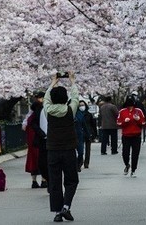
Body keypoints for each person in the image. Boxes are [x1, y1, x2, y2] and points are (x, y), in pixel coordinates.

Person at [44, 72, 81, 222]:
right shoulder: (70, 110)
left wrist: (53, 82)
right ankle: (66, 207)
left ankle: (57, 212)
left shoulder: (48, 110)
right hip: (68, 150)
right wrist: (72, 81)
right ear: (66, 98)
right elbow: (76, 98)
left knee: (55, 181)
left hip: (52, 150)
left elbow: (46, 98)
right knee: (72, 180)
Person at [117, 96, 146, 176]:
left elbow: (144, 122)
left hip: (136, 135)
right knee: (125, 153)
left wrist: (138, 120)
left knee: (135, 154)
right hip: (126, 135)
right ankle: (127, 164)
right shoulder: (122, 111)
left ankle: (133, 169)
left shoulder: (138, 111)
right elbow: (118, 123)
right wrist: (125, 121)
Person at [23, 92, 48, 188]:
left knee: (33, 159)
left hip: (33, 140)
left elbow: (27, 124)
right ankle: (44, 180)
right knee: (43, 159)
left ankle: (34, 181)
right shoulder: (43, 111)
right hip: (41, 139)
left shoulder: (30, 117)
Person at [75, 99, 97, 169]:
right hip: (79, 134)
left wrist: (94, 134)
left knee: (88, 149)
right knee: (80, 149)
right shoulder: (77, 115)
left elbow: (93, 125)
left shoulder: (89, 114)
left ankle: (86, 162)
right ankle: (80, 161)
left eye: (83, 105)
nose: (82, 106)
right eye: (80, 105)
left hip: (88, 133)